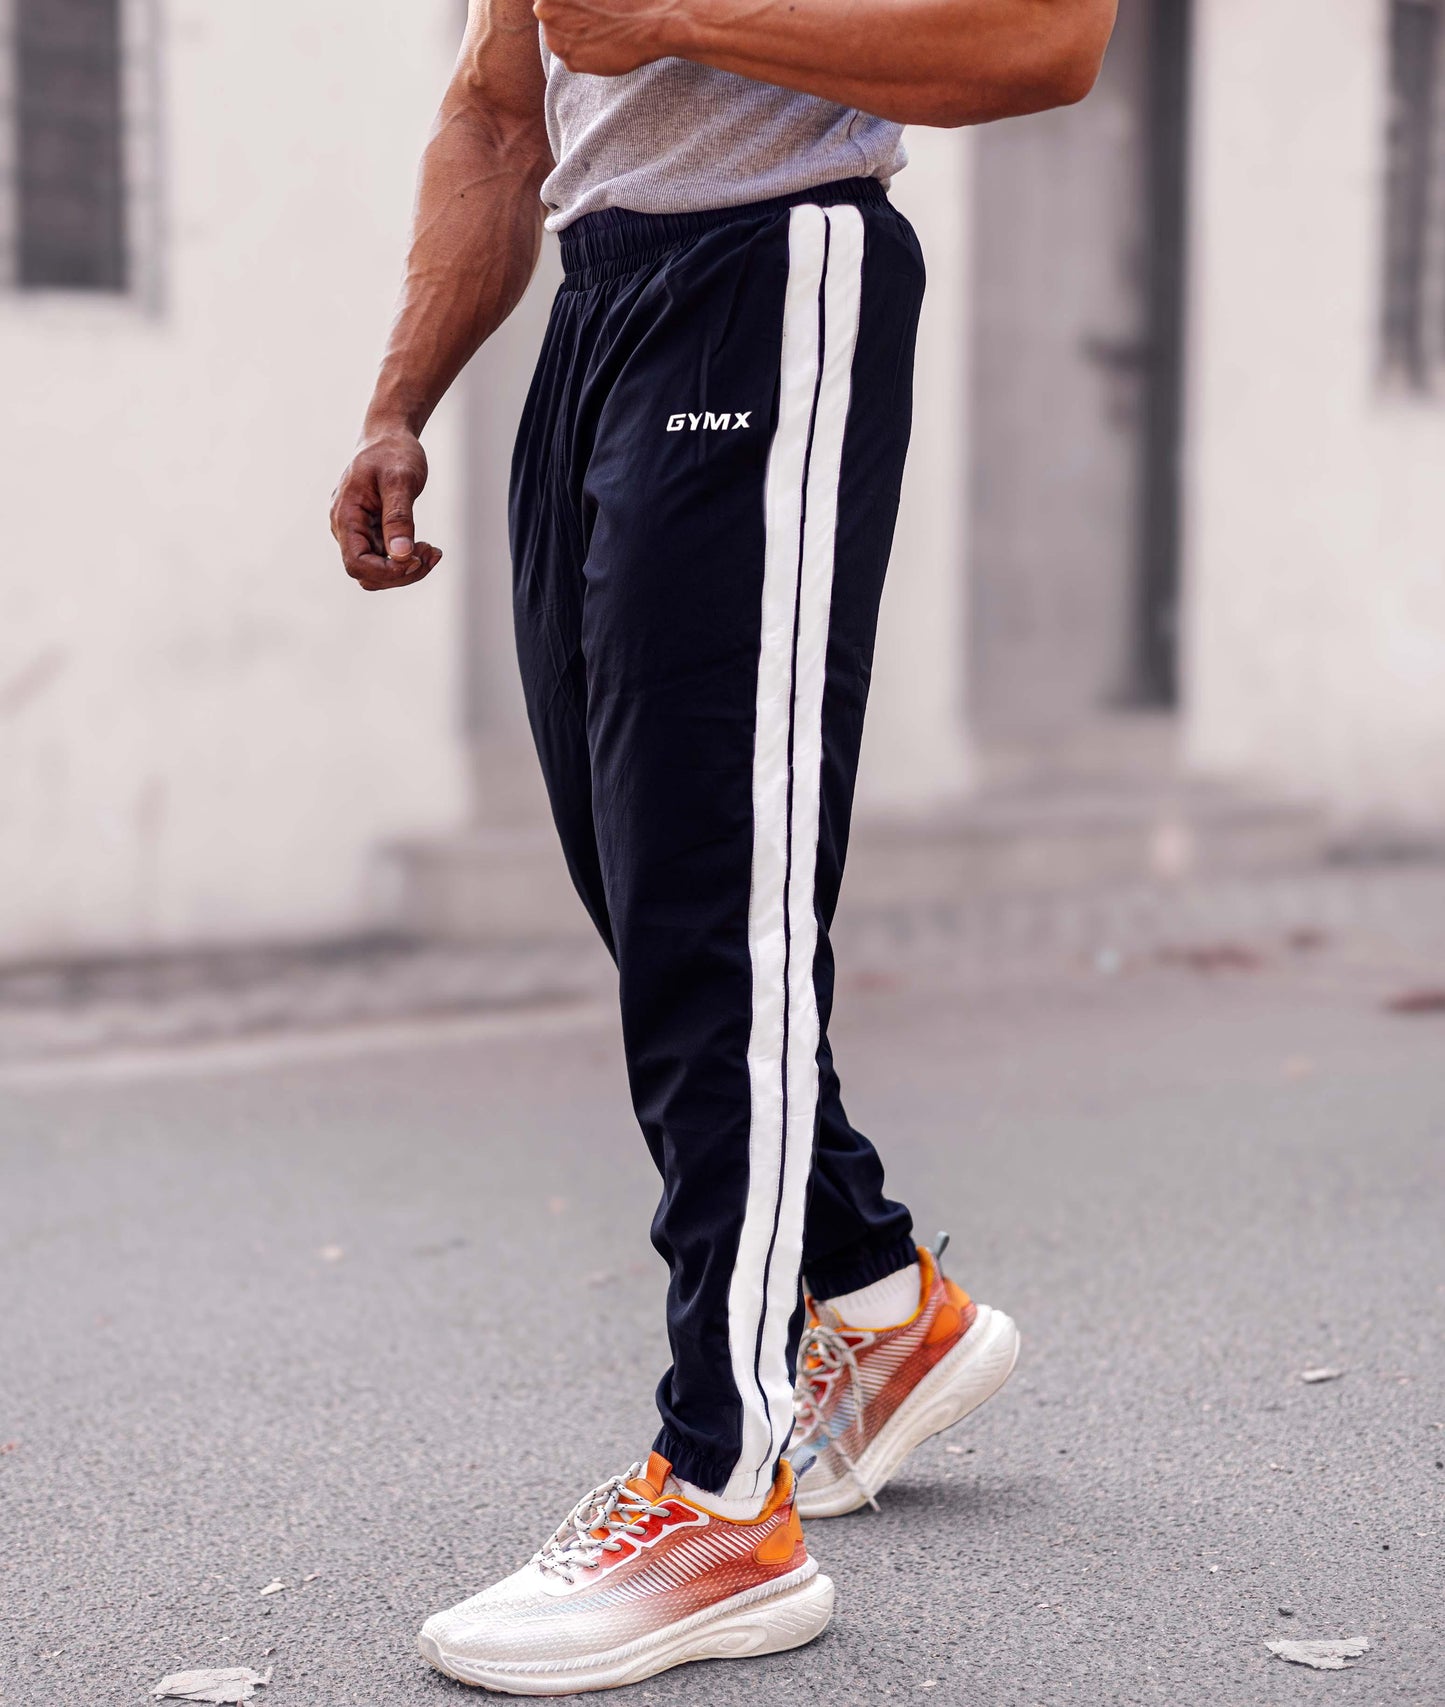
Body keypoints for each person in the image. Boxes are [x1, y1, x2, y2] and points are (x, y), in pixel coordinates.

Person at [330, 0, 1115, 1689]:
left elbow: (1047, 40)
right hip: (597, 308)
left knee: (710, 896)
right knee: (644, 873)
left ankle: (718, 1498)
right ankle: (877, 1303)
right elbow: (498, 114)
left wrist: (677, 19)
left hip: (776, 275)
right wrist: (400, 399)